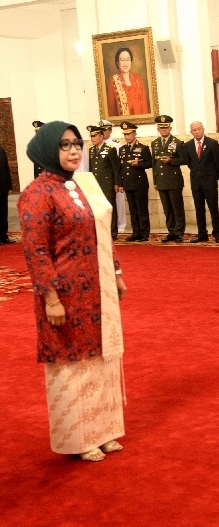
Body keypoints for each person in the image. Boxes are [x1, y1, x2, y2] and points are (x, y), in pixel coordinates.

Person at [17, 120, 128, 462]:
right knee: (72, 367)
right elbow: (36, 251)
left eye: (76, 144)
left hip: (95, 292)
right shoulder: (36, 194)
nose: (73, 151)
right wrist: (50, 298)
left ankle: (104, 430)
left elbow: (100, 234)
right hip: (64, 294)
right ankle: (79, 437)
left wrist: (118, 272)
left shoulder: (82, 186)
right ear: (48, 150)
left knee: (99, 360)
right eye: (64, 145)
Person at [150, 115, 186, 242]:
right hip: (161, 180)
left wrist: (172, 160)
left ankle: (179, 232)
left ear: (170, 128)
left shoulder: (178, 142)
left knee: (177, 208)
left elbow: (184, 159)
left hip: (174, 180)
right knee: (167, 208)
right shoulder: (154, 143)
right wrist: (155, 181)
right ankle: (171, 231)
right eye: (161, 128)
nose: (164, 130)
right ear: (158, 129)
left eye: (166, 128)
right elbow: (154, 164)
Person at [117, 121, 152, 241]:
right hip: (128, 183)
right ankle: (136, 232)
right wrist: (121, 184)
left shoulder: (143, 148)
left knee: (141, 209)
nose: (127, 137)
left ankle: (144, 233)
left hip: (139, 183)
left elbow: (150, 163)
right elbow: (120, 168)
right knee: (133, 210)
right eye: (125, 134)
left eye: (129, 134)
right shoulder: (122, 149)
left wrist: (139, 163)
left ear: (134, 133)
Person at [86, 125, 121, 240]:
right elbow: (91, 169)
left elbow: (116, 168)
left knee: (109, 208)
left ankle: (112, 231)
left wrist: (116, 183)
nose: (92, 138)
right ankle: (101, 231)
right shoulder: (91, 150)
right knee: (98, 209)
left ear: (101, 136)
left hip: (108, 184)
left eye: (95, 136)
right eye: (91, 136)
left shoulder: (109, 149)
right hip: (96, 184)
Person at [106, 47, 149, 117]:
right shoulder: (112, 81)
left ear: (131, 61)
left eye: (128, 59)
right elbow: (111, 110)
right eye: (122, 60)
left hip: (140, 122)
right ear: (117, 63)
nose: (125, 63)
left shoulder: (138, 78)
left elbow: (144, 105)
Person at [100, 119, 126, 234]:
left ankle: (121, 225)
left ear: (110, 131)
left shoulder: (116, 144)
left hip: (115, 177)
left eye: (104, 131)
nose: (102, 133)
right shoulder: (98, 146)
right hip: (104, 179)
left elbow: (118, 164)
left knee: (119, 203)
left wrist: (119, 180)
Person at [0, 142, 13, 244]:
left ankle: (3, 236)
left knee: (4, 213)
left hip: (3, 188)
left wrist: (9, 186)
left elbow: (6, 169)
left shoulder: (1, 150)